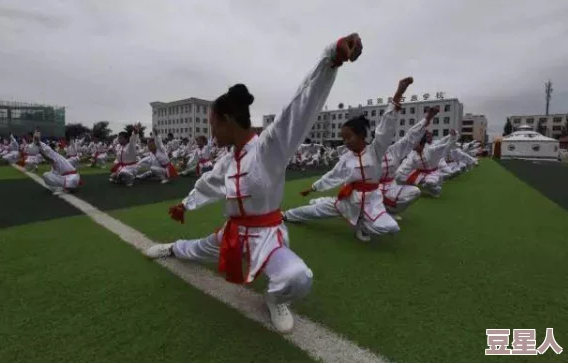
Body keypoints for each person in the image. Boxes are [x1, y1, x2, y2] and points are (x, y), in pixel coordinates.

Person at [145, 33, 363, 333]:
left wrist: (331, 59)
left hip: (268, 238)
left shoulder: (269, 148)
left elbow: (299, 107)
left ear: (226, 121)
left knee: (299, 277)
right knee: (192, 250)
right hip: (232, 234)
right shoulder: (228, 159)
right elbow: (209, 183)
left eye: (212, 126)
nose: (212, 134)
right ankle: (172, 248)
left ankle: (275, 299)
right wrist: (185, 205)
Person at [283, 77, 413, 242]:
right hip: (348, 200)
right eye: (343, 139)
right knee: (314, 211)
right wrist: (313, 187)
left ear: (361, 135)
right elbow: (333, 175)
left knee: (391, 227)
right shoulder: (346, 158)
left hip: (372, 202)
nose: (345, 142)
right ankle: (287, 215)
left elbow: (386, 127)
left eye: (348, 137)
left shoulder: (375, 151)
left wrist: (399, 94)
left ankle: (363, 224)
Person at [380, 106, 439, 218]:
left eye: (388, 136)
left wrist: (427, 119)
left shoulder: (394, 150)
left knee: (415, 191)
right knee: (383, 226)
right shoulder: (367, 152)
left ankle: (390, 211)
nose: (385, 139)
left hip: (390, 187)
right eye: (381, 137)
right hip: (371, 191)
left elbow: (410, 136)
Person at [396, 129, 458, 197]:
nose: (412, 146)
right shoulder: (412, 154)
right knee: (400, 176)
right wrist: (398, 173)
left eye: (414, 144)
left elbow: (447, 145)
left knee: (430, 182)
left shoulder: (432, 150)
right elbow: (405, 165)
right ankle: (421, 186)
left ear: (420, 143)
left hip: (433, 173)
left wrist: (453, 136)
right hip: (419, 173)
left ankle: (437, 183)